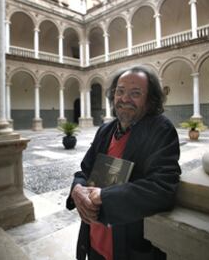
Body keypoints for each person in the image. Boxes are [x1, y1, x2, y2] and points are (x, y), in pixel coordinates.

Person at [66, 65, 181, 260]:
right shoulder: (106, 130)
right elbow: (85, 171)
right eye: (120, 92)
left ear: (150, 100)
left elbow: (163, 188)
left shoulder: (160, 130)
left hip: (128, 249)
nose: (125, 99)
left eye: (135, 93)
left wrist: (104, 196)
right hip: (94, 243)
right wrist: (77, 189)